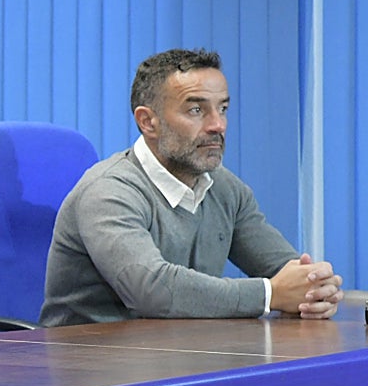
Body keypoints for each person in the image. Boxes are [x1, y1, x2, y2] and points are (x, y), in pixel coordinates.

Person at [40, 47, 344, 327]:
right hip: (89, 365)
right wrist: (270, 294)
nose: (218, 125)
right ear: (148, 122)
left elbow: (286, 271)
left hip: (179, 357)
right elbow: (152, 290)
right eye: (197, 111)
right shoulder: (109, 191)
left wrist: (315, 289)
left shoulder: (225, 189)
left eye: (222, 109)